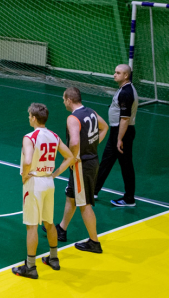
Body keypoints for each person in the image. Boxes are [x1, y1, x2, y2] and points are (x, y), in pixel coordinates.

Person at [11, 103, 75, 279]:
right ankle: (53, 259)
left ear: (34, 118)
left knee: (32, 226)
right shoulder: (54, 136)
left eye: (29, 116)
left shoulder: (29, 137)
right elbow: (70, 157)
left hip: (34, 182)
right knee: (49, 222)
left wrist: (25, 176)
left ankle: (30, 267)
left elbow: (28, 161)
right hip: (48, 181)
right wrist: (54, 174)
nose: (28, 118)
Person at [53, 87, 109, 253]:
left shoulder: (73, 118)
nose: (63, 102)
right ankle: (62, 229)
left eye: (64, 99)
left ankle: (94, 242)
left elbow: (75, 142)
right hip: (91, 160)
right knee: (71, 195)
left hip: (82, 165)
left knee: (84, 204)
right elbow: (104, 127)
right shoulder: (91, 112)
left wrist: (72, 157)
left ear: (69, 100)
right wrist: (92, 145)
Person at [95, 64, 139, 207]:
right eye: (115, 72)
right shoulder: (123, 89)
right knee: (106, 161)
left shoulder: (126, 93)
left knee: (126, 166)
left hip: (122, 133)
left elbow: (125, 118)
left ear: (126, 75)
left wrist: (119, 139)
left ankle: (129, 198)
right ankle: (93, 191)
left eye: (118, 73)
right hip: (117, 132)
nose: (114, 75)